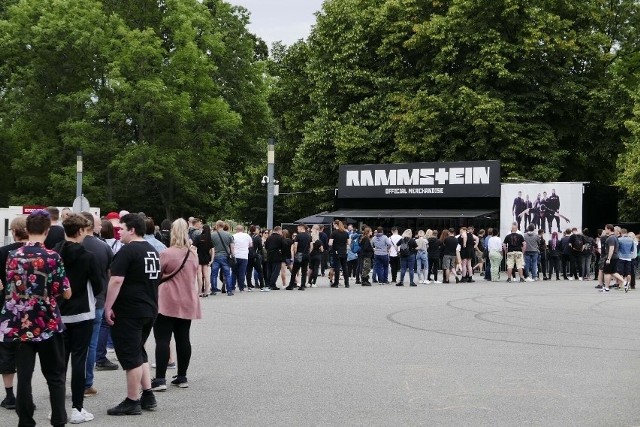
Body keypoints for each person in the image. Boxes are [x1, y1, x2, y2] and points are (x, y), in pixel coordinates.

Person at [0, 209, 72, 426]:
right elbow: (65, 291)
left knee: (24, 375)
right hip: (47, 322)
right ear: (47, 231)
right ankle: (58, 418)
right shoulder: (52, 257)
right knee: (55, 376)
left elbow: (11, 286)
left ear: (27, 230)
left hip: (20, 324)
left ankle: (26, 420)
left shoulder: (13, 256)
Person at [104, 213, 160, 415]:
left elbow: (116, 280)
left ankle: (132, 400)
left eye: (122, 228)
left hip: (130, 311)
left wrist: (108, 306)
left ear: (132, 230)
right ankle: (148, 394)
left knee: (130, 356)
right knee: (139, 351)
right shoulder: (151, 250)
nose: (119, 232)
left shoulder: (128, 251)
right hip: (149, 307)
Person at [54, 213, 102, 423]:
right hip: (83, 311)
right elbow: (99, 284)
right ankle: (77, 408)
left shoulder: (54, 252)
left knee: (59, 363)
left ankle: (57, 408)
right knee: (79, 361)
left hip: (59, 312)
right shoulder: (88, 256)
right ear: (81, 231)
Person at [151, 219, 201, 391]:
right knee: (183, 338)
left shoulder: (166, 253)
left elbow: (158, 275)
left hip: (167, 300)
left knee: (163, 339)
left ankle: (160, 379)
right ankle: (182, 376)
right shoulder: (193, 254)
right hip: (187, 299)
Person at [80, 212, 115, 397]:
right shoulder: (103, 247)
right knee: (91, 345)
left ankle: (60, 381)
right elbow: (110, 274)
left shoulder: (66, 246)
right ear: (92, 226)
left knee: (68, 345)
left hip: (72, 303)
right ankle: (87, 383)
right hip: (98, 299)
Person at [0, 217, 28, 411]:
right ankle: (26, 393)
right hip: (32, 311)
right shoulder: (43, 253)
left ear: (14, 231)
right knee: (27, 352)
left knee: (7, 352)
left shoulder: (3, 252)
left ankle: (10, 395)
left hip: (7, 308)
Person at [210, 220, 234, 296]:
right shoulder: (229, 235)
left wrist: (211, 257)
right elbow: (232, 247)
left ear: (217, 226)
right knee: (227, 274)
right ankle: (229, 291)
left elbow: (210, 248)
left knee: (214, 274)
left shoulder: (212, 235)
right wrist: (232, 255)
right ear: (223, 226)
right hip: (225, 257)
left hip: (215, 257)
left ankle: (214, 290)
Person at [601, 224, 627, 292]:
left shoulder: (610, 238)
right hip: (615, 257)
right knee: (613, 272)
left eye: (605, 228)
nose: (604, 230)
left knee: (607, 272)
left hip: (611, 257)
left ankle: (606, 288)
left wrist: (608, 258)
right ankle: (624, 282)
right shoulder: (615, 237)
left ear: (609, 229)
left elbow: (611, 248)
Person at [288, 224, 312, 290]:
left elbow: (295, 246)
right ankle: (302, 285)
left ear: (301, 228)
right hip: (306, 254)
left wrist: (296, 253)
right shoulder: (309, 236)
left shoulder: (298, 236)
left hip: (299, 254)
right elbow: (311, 246)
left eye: (298, 228)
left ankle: (291, 285)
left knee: (294, 270)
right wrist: (308, 252)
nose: (297, 230)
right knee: (304, 271)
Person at [329, 220, 350, 288]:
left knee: (337, 267)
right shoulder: (346, 233)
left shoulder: (334, 233)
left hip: (336, 252)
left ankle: (336, 283)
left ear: (336, 225)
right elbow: (349, 242)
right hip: (344, 251)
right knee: (345, 267)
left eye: (333, 225)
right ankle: (347, 283)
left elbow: (330, 243)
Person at [194, 224, 214, 297]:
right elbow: (212, 250)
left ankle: (199, 291)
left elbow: (194, 248)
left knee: (199, 275)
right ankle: (206, 291)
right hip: (206, 258)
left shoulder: (198, 237)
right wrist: (212, 259)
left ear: (202, 229)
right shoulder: (209, 239)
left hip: (199, 257)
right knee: (206, 275)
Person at [232, 225, 253, 292]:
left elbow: (231, 245)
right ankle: (241, 288)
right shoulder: (247, 236)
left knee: (234, 272)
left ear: (236, 229)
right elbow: (251, 245)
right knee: (242, 272)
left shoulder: (233, 236)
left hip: (235, 256)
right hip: (244, 256)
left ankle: (232, 287)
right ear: (243, 230)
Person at [264, 227, 285, 291]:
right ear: (279, 231)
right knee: (275, 271)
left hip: (269, 256)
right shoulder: (280, 238)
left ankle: (268, 284)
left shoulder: (269, 238)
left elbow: (266, 246)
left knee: (269, 271)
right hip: (277, 256)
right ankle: (272, 284)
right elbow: (284, 246)